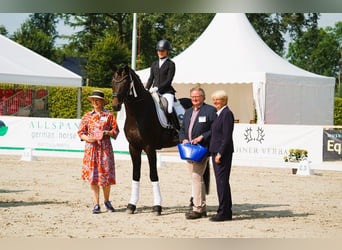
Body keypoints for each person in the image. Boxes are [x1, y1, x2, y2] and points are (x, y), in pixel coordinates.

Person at [77, 90, 120, 214]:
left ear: (102, 102)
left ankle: (107, 201)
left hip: (105, 148)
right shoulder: (87, 116)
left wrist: (105, 133)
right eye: (93, 100)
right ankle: (96, 204)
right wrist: (87, 138)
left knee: (106, 175)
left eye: (98, 100)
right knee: (93, 176)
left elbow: (116, 131)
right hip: (91, 149)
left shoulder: (109, 116)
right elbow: (80, 132)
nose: (95, 102)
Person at [179, 87, 217, 219]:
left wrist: (202, 137)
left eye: (197, 96)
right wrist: (183, 138)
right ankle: (202, 207)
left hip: (202, 149)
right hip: (189, 150)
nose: (195, 99)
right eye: (193, 97)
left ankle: (198, 208)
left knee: (196, 176)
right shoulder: (188, 112)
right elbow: (182, 129)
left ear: (203, 97)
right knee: (197, 178)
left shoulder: (210, 111)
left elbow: (214, 129)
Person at [209, 90, 235, 222]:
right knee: (221, 182)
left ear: (224, 100)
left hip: (222, 153)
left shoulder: (227, 114)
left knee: (222, 182)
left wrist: (220, 153)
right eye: (214, 100)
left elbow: (226, 137)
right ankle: (226, 210)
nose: (215, 102)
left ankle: (224, 212)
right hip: (215, 151)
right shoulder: (219, 114)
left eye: (217, 100)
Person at [145, 39, 179, 129]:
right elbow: (151, 78)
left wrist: (157, 88)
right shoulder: (154, 64)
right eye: (159, 50)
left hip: (167, 92)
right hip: (154, 92)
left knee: (169, 109)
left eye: (162, 51)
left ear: (167, 51)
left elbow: (169, 80)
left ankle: (174, 128)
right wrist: (146, 89)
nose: (160, 52)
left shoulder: (171, 64)